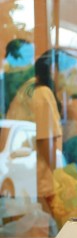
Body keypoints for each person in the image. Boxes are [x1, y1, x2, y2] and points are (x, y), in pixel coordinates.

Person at [4, 50, 63, 217]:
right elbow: (46, 140)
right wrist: (58, 176)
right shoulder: (43, 93)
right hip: (43, 179)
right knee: (49, 224)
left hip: (30, 177)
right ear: (53, 69)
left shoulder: (28, 89)